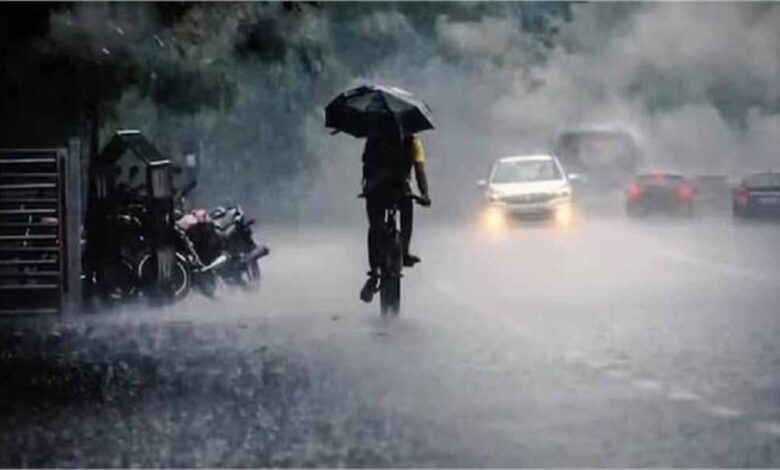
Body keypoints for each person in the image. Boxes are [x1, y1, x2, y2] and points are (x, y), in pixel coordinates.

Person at [359, 130, 431, 302]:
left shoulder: (374, 138)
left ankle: (374, 272)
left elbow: (366, 166)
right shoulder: (413, 142)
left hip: (376, 190)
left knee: (375, 227)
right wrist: (424, 194)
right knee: (407, 214)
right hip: (400, 190)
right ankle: (404, 252)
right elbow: (419, 170)